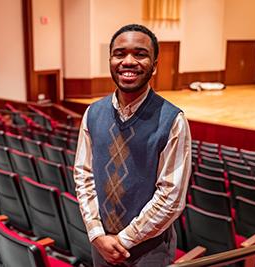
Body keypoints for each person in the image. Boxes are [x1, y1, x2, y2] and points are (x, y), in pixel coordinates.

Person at [73, 24, 192, 267]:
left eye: (140, 54)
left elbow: (171, 197)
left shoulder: (173, 120)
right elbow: (83, 175)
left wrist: (123, 240)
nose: (128, 61)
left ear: (154, 64)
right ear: (110, 60)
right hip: (102, 244)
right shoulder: (92, 113)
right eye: (119, 54)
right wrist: (96, 233)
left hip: (149, 251)